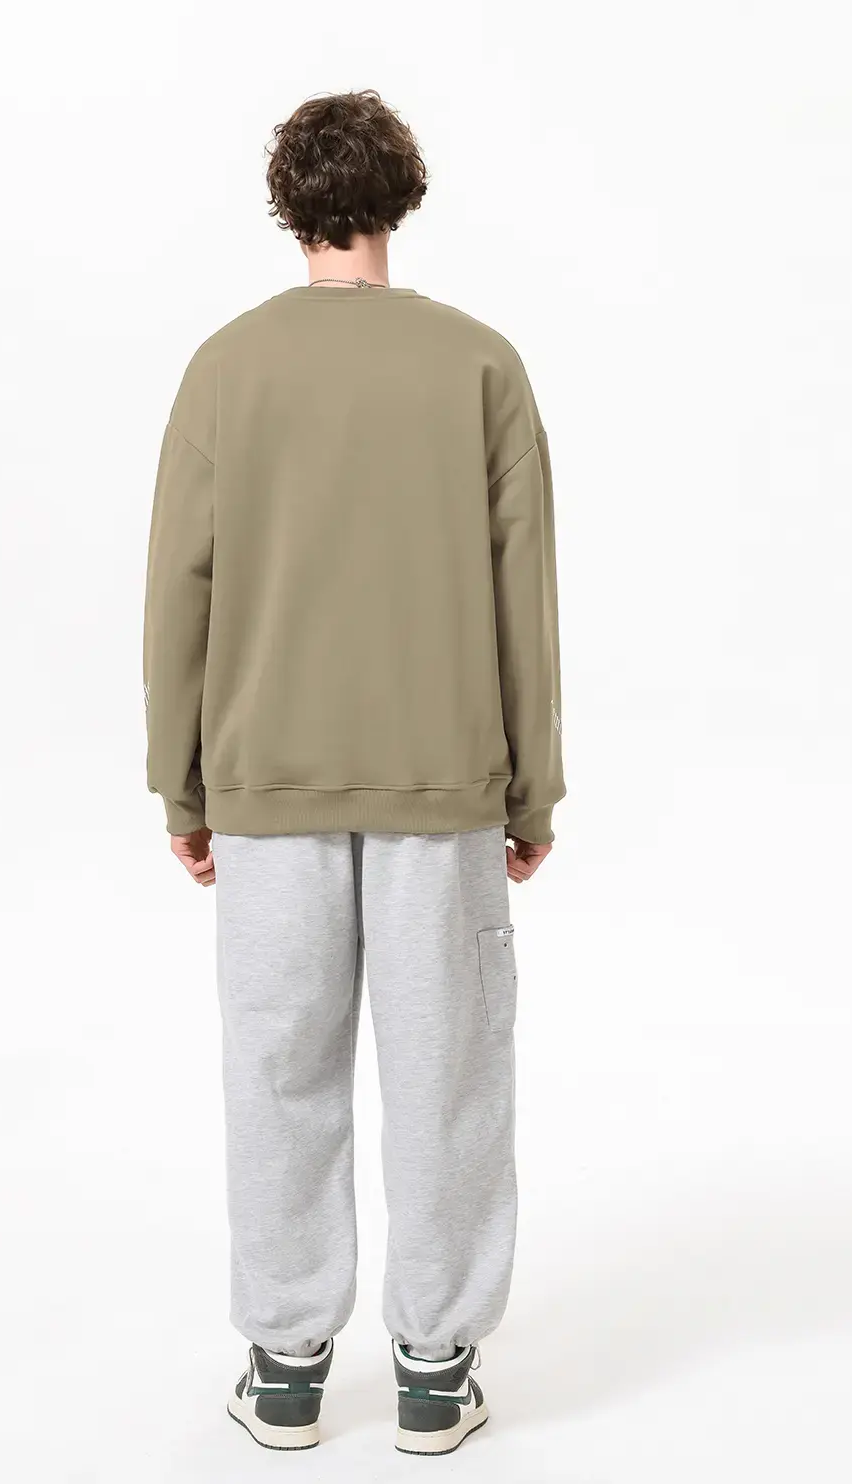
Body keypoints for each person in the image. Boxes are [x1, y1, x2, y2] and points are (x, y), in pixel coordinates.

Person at [142, 89, 563, 1456]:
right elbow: (524, 599)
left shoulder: (226, 368)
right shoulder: (480, 365)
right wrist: (533, 788)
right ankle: (435, 1367)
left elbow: (179, 591)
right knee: (447, 1073)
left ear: (291, 208)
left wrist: (181, 783)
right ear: (402, 197)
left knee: (280, 1069)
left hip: (266, 783)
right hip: (444, 778)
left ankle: (286, 1365)